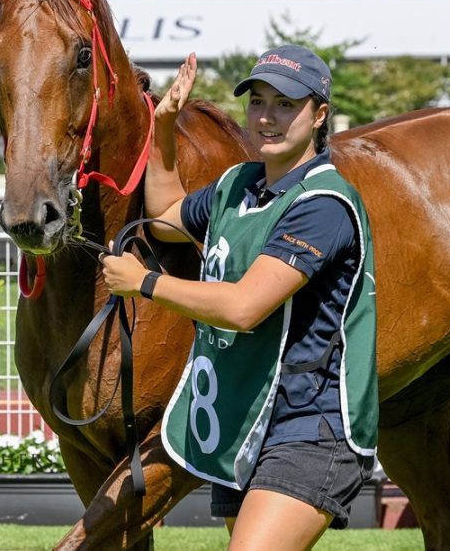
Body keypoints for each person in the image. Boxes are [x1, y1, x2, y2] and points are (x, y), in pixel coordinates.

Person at [100, 45, 378, 550]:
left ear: (318, 115)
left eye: (285, 104)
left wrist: (144, 282)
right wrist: (163, 126)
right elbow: (165, 216)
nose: (267, 117)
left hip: (311, 427)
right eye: (258, 102)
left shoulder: (324, 204)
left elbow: (243, 308)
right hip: (244, 419)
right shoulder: (239, 184)